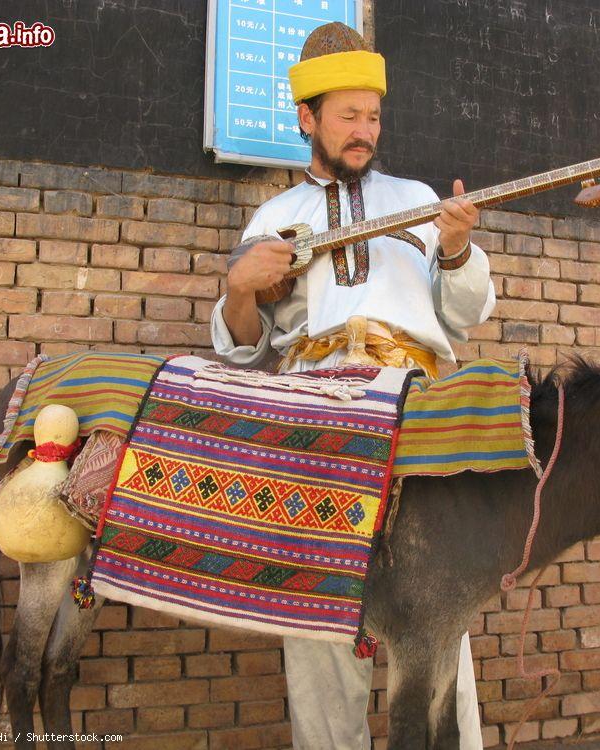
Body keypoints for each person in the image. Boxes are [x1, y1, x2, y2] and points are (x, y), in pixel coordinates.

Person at [210, 21, 495, 750]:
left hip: (416, 409)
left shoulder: (420, 200)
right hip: (318, 414)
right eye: (348, 116)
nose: (364, 131)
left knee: (438, 604)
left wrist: (457, 249)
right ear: (308, 119)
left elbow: (462, 317)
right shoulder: (276, 218)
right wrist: (239, 290)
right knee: (319, 610)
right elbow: (246, 351)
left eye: (372, 116)